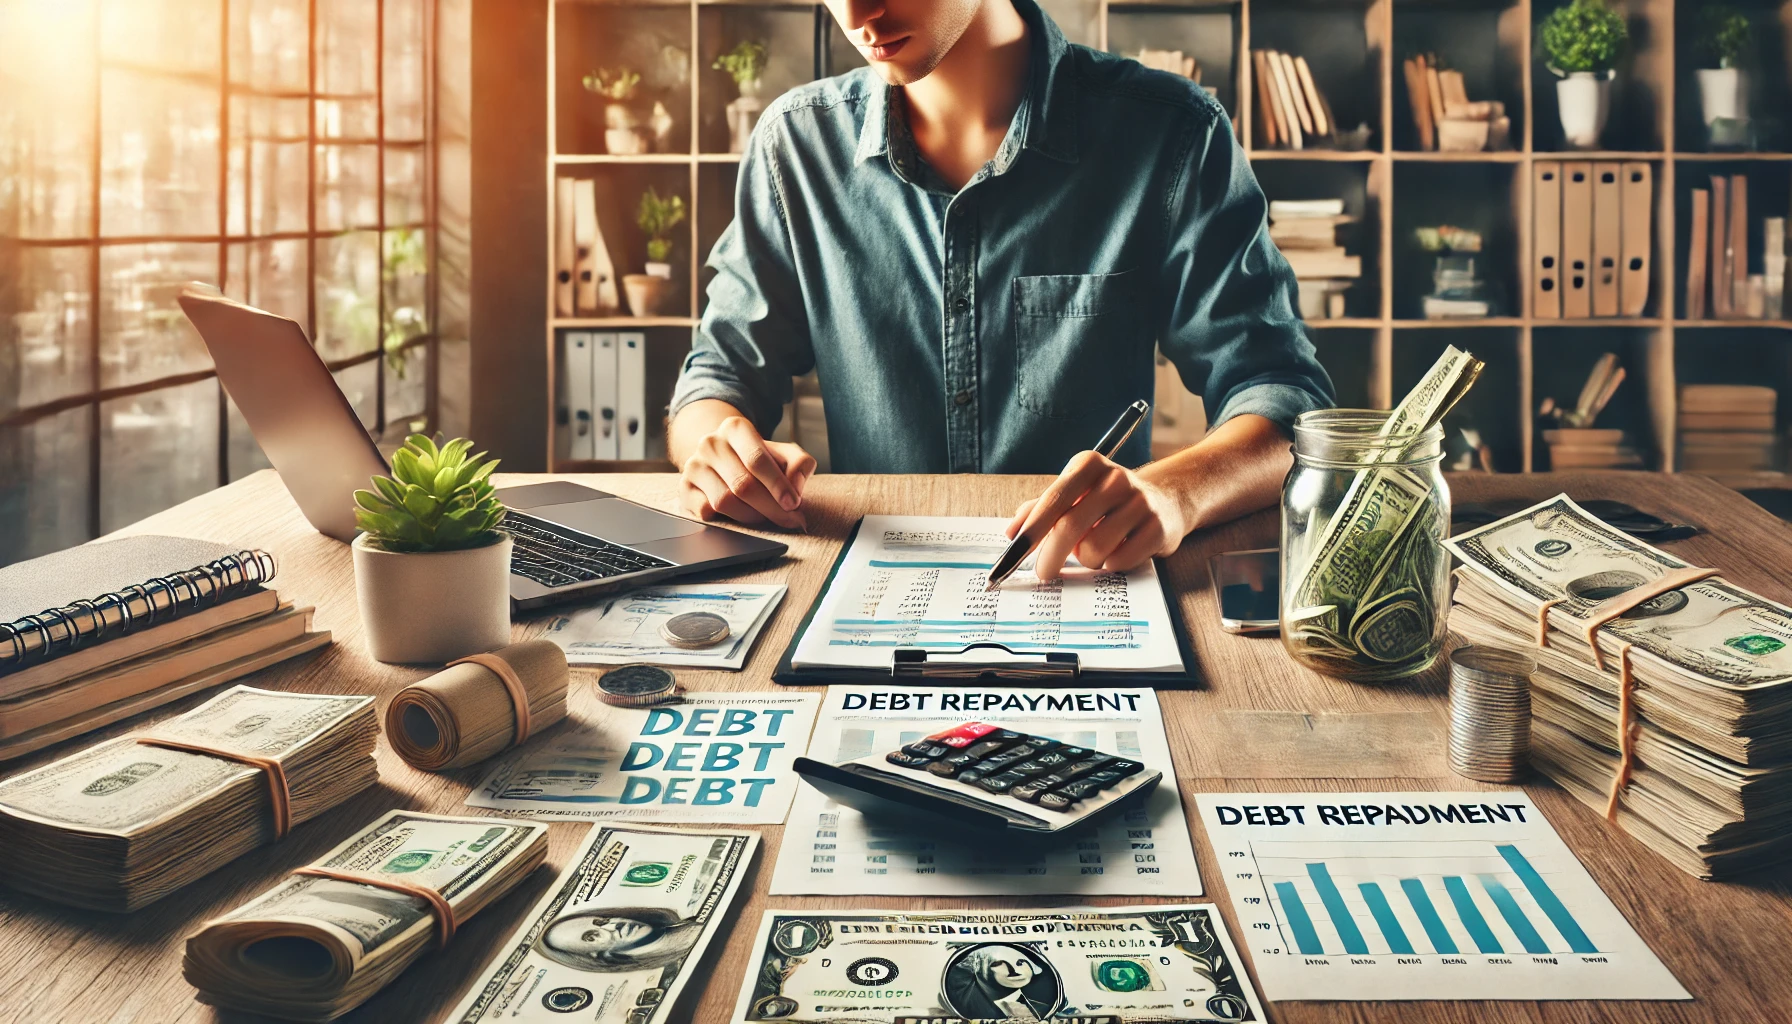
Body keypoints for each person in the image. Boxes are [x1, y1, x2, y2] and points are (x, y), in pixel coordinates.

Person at [668, 0, 1334, 578]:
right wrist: (719, 447)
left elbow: (1286, 402)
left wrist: (1172, 495)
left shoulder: (1173, 135)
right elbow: (715, 382)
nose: (857, 13)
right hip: (869, 587)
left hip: (1090, 586)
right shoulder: (796, 148)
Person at [535, 906, 703, 972]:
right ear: (599, 956)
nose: (613, 925)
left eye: (602, 921)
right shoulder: (677, 970)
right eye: (592, 936)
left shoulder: (689, 916)